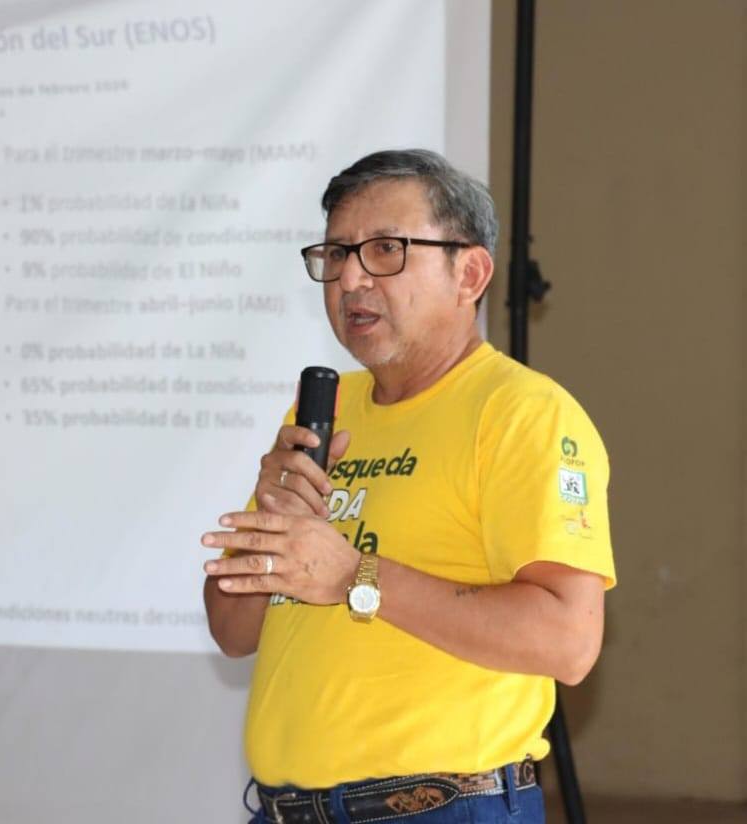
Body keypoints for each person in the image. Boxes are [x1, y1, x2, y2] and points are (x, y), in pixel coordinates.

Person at [201, 149, 616, 824]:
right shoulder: (323, 412)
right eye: (337, 254)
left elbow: (568, 641)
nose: (350, 278)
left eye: (385, 250)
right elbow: (231, 631)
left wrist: (353, 576)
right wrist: (270, 522)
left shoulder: (521, 414)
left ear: (469, 273)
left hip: (439, 809)